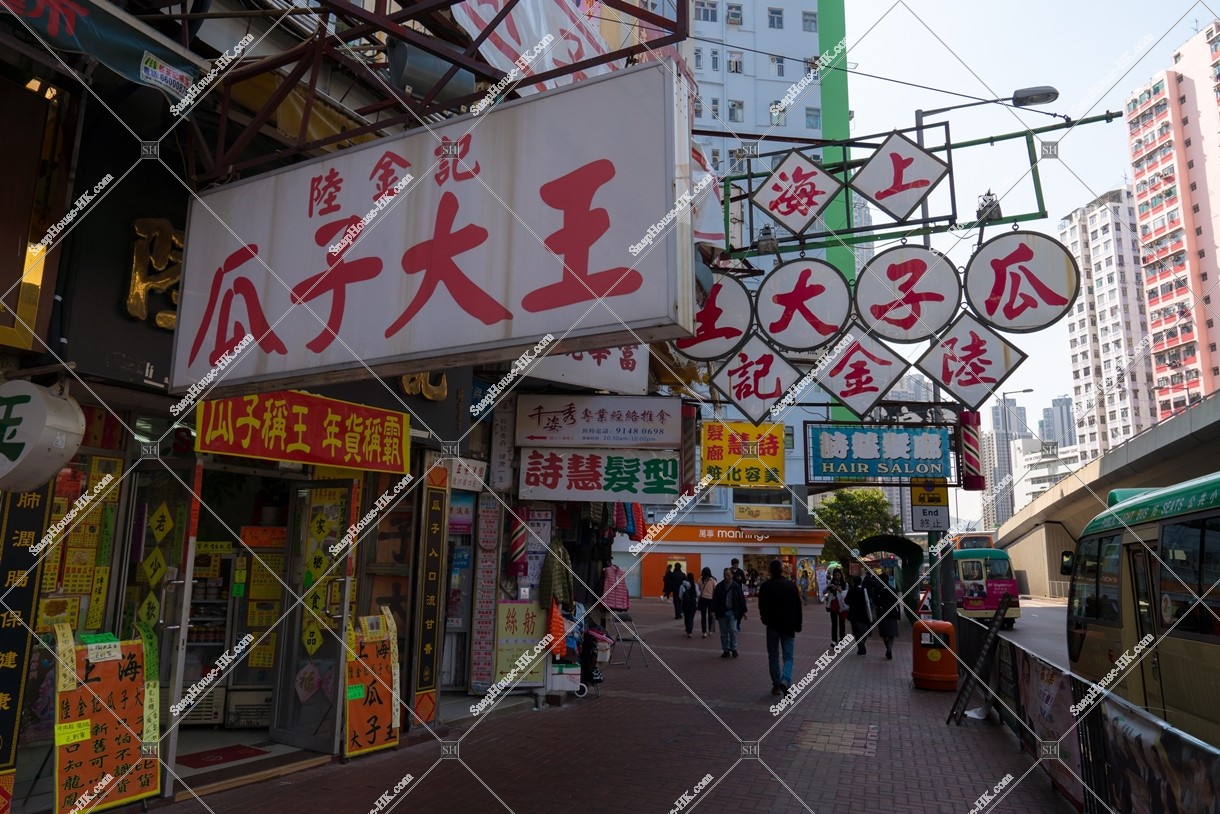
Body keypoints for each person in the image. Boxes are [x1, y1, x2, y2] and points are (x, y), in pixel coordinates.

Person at [757, 559, 802, 695]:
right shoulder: (790, 586)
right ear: (782, 570)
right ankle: (785, 679)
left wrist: (765, 619)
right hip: (788, 626)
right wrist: (798, 624)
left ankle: (776, 684)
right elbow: (797, 606)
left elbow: (761, 605)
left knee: (773, 655)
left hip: (772, 625)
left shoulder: (766, 586)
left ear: (770, 570)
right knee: (788, 656)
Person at [712, 567, 747, 657]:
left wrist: (744, 611)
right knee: (723, 632)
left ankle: (733, 648)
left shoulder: (736, 586)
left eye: (728, 575)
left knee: (733, 630)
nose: (726, 577)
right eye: (724, 575)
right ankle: (726, 649)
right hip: (722, 612)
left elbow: (741, 599)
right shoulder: (719, 586)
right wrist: (713, 610)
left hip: (732, 612)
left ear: (732, 575)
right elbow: (715, 599)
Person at [871, 575, 900, 659]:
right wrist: (898, 615)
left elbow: (875, 603)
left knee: (884, 633)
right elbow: (897, 603)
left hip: (882, 613)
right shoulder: (893, 590)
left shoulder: (876, 590)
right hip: (892, 614)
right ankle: (889, 649)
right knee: (892, 633)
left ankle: (888, 648)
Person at [845, 575, 873, 655]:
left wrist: (852, 604)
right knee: (864, 630)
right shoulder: (863, 591)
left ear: (853, 582)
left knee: (856, 632)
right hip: (863, 613)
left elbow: (846, 601)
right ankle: (862, 644)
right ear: (860, 582)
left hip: (853, 614)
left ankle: (860, 647)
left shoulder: (851, 591)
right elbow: (867, 602)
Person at [823, 569, 848, 643]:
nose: (837, 577)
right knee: (834, 623)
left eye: (838, 575)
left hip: (842, 606)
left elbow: (847, 594)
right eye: (835, 575)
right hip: (833, 605)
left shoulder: (845, 584)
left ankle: (842, 639)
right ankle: (834, 640)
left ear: (841, 575)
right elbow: (824, 592)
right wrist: (829, 587)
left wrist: (840, 590)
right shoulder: (831, 583)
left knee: (842, 623)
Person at [698, 567, 718, 638]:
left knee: (703, 616)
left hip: (703, 599)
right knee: (710, 615)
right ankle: (710, 630)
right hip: (711, 599)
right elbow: (715, 588)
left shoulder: (700, 579)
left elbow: (699, 588)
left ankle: (704, 632)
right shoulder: (712, 579)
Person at [679, 571, 699, 637]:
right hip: (693, 603)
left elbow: (680, 596)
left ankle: (687, 629)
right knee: (691, 617)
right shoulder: (695, 585)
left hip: (685, 603)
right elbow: (698, 594)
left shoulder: (682, 585)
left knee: (686, 616)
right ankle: (690, 632)